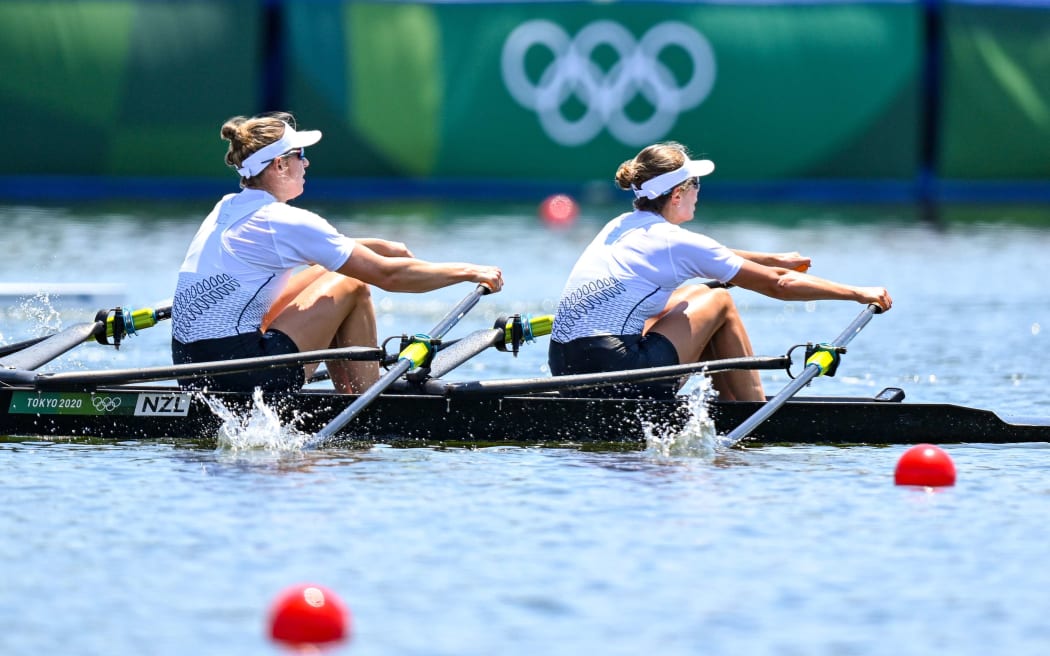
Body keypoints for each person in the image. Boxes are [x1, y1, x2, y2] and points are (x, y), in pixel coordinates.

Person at [171, 111, 503, 394]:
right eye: (300, 155)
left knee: (328, 271)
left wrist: (375, 246)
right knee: (352, 283)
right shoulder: (284, 220)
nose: (306, 162)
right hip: (244, 378)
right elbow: (388, 276)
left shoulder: (227, 207)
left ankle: (355, 387)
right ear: (280, 165)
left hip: (191, 370)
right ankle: (368, 400)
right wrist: (471, 271)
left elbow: (317, 252)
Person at [548, 141, 892, 401]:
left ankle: (730, 399)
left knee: (694, 294)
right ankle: (752, 408)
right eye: (696, 184)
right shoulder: (674, 241)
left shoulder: (620, 225)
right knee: (719, 302)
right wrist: (857, 292)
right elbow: (780, 285)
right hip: (616, 376)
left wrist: (772, 259)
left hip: (565, 369)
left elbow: (710, 256)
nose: (699, 192)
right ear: (678, 194)